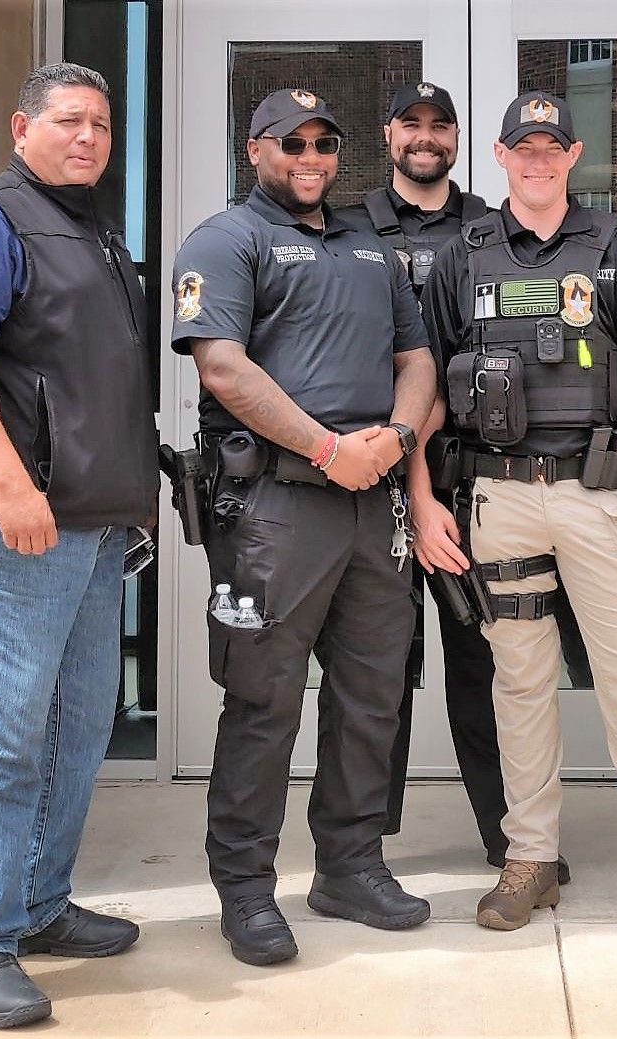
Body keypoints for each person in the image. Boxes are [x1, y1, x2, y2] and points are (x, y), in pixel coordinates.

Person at [414, 91, 617, 938]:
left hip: (600, 499)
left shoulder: (614, 247)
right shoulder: (462, 258)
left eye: (551, 147)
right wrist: (420, 495)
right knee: (520, 682)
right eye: (523, 147)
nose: (537, 160)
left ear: (573, 155)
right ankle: (530, 858)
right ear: (499, 155)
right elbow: (424, 389)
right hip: (498, 502)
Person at [170, 88, 437, 968]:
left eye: (325, 143)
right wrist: (328, 448)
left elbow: (417, 359)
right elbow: (222, 367)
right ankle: (246, 887)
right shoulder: (226, 240)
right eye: (293, 143)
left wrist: (397, 438)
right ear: (256, 149)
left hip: (372, 502)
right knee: (263, 699)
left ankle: (350, 866)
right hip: (275, 509)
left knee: (371, 694)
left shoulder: (369, 245)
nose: (311, 157)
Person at [0, 63, 158, 1029]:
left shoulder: (94, 231)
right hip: (7, 527)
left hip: (92, 526)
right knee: (2, 735)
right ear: (22, 128)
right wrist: (11, 483)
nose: (88, 136)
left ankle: (34, 901)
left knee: (76, 728)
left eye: (100, 123)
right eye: (68, 120)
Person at [339, 81, 586, 877]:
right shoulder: (346, 229)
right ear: (388, 134)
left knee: (483, 660)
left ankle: (511, 837)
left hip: (463, 473)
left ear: (457, 139)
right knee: (374, 665)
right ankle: (361, 850)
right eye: (410, 123)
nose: (424, 136)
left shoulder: (489, 229)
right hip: (363, 472)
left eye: (439, 124)